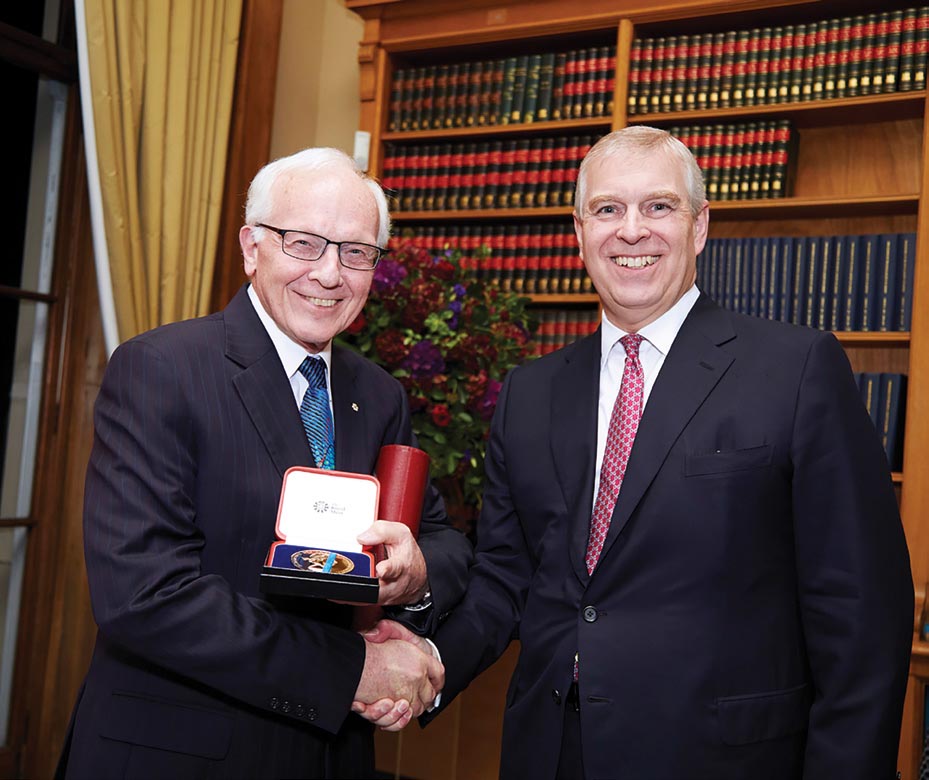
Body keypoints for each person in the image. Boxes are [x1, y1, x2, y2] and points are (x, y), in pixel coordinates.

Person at [363, 126, 914, 779]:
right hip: (551, 751)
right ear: (578, 232)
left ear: (699, 225)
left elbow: (861, 611)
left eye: (657, 206)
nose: (631, 230)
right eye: (606, 209)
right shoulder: (530, 392)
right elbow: (507, 578)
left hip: (722, 758)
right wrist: (429, 658)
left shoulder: (794, 370)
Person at [56, 147, 472, 780]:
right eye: (304, 243)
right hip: (183, 752)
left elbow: (438, 538)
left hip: (329, 755)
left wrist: (414, 575)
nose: (331, 274)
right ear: (252, 247)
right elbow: (144, 594)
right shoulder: (163, 369)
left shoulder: (378, 393)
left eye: (356, 252)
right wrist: (352, 668)